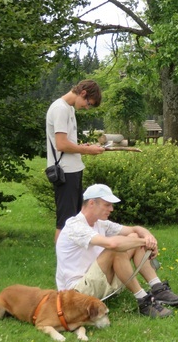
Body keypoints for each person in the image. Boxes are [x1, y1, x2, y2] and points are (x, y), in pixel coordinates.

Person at [56, 184, 178, 318]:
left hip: (97, 282)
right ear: (91, 203)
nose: (111, 209)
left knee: (133, 238)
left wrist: (149, 237)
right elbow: (112, 244)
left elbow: (135, 229)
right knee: (117, 249)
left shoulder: (101, 223)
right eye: (107, 204)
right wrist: (145, 242)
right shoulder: (74, 225)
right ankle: (143, 300)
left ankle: (158, 289)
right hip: (75, 293)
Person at [46, 80, 105, 243]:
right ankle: (62, 265)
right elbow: (61, 144)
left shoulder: (68, 109)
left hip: (73, 170)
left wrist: (81, 146)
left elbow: (67, 142)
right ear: (83, 93)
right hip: (65, 173)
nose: (87, 107)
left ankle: (72, 259)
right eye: (88, 103)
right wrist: (88, 150)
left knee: (75, 219)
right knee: (65, 222)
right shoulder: (60, 109)